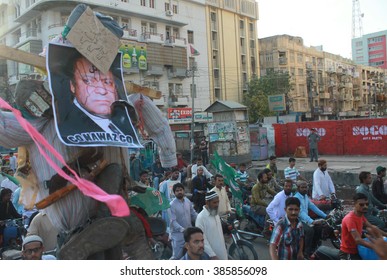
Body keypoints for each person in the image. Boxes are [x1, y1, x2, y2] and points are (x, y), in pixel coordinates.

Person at [53, 51, 140, 147]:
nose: (102, 91)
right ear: (73, 86)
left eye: (107, 82)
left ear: (115, 88)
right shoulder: (65, 127)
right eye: (89, 81)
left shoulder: (124, 121)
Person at [339, 193, 387, 260]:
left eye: (367, 204)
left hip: (357, 249)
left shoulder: (361, 216)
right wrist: (376, 247)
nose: (365, 206)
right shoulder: (350, 219)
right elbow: (358, 240)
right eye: (361, 204)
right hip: (348, 253)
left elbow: (372, 227)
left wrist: (385, 234)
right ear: (354, 204)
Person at [294, 180, 327, 258]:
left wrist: (325, 216)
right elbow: (300, 213)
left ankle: (314, 247)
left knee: (319, 228)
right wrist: (311, 221)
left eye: (306, 187)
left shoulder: (305, 197)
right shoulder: (296, 198)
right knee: (309, 230)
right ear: (298, 188)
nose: (305, 189)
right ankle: (306, 252)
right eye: (302, 187)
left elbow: (313, 207)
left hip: (305, 220)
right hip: (298, 220)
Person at [195, 191, 228, 260]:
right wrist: (212, 255)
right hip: (211, 256)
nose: (217, 205)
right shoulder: (201, 218)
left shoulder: (215, 213)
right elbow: (202, 240)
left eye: (218, 202)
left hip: (222, 251)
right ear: (207, 202)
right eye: (214, 202)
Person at [169, 183, 198, 260]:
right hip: (178, 235)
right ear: (174, 193)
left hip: (189, 234)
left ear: (183, 191)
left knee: (191, 255)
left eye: (181, 190)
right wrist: (183, 230)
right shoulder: (172, 205)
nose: (179, 192)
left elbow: (193, 214)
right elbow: (173, 221)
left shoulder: (187, 201)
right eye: (177, 191)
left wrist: (200, 219)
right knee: (177, 257)